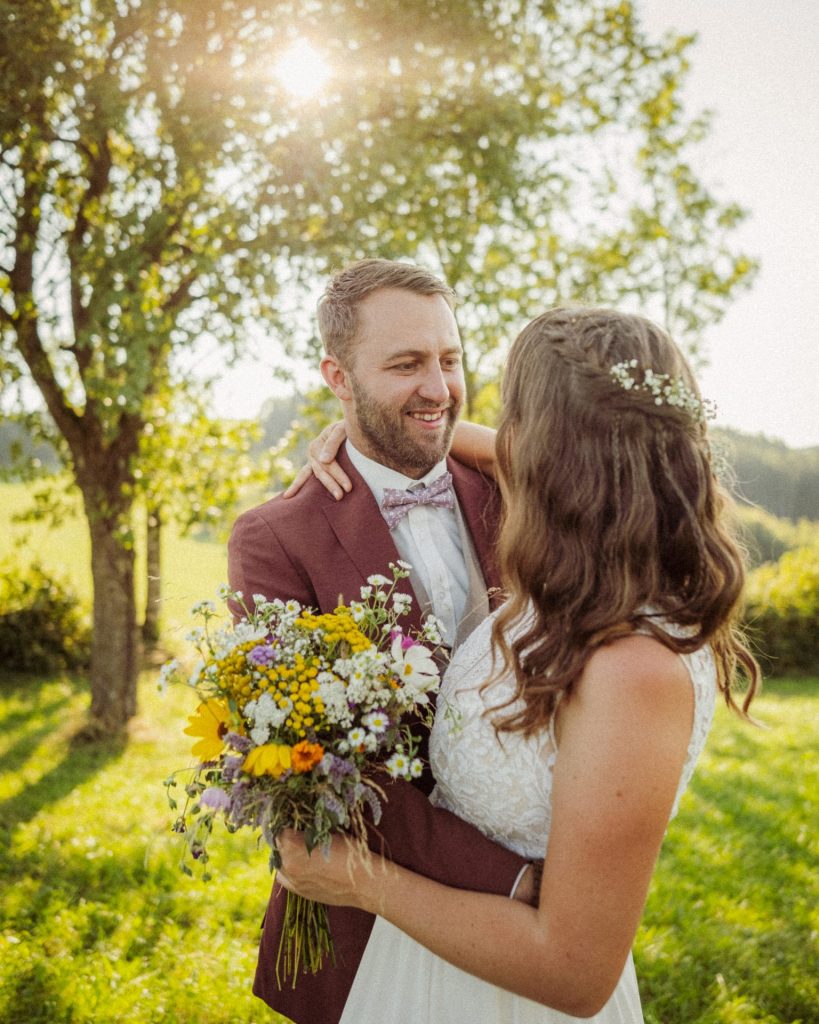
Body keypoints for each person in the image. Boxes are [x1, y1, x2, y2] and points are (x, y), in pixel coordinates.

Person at [274, 306, 761, 1023]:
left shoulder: (635, 668)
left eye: (517, 415)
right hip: (417, 970)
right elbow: (482, 446)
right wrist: (356, 436)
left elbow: (573, 973)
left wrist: (362, 882)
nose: (506, 437)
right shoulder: (583, 588)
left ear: (557, 449)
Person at [227, 258, 540, 1024]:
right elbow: (320, 772)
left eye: (449, 359)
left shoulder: (511, 487)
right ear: (337, 375)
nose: (436, 385)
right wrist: (519, 885)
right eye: (404, 364)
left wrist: (446, 429)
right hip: (378, 924)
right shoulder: (274, 539)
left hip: (550, 919)